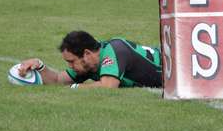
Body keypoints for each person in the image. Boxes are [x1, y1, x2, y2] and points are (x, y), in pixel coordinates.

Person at [18, 30, 162, 88]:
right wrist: (40, 66)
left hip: (178, 62)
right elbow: (57, 80)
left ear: (86, 54)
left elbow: (108, 86)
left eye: (72, 61)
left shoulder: (115, 50)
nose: (71, 66)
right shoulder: (89, 64)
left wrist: (76, 88)